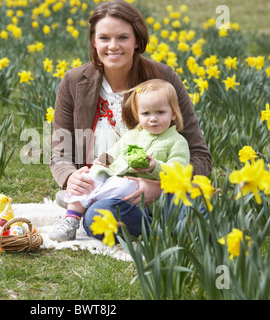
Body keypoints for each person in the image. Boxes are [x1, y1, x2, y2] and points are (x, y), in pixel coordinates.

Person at [50, 0, 212, 242]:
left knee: (191, 206)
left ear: (137, 40)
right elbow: (60, 154)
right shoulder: (73, 82)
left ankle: (178, 229)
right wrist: (70, 178)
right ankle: (168, 232)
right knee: (97, 215)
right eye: (104, 38)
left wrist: (160, 186)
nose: (113, 46)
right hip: (108, 191)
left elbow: (200, 155)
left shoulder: (163, 79)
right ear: (94, 42)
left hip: (163, 188)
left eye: (123, 37)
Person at [49, 79, 190, 242]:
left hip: (140, 193)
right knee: (90, 175)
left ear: (173, 113)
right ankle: (70, 221)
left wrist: (155, 167)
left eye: (160, 112)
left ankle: (80, 201)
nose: (153, 119)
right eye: (146, 113)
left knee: (123, 186)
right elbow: (114, 153)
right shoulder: (132, 136)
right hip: (115, 181)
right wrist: (104, 160)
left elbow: (179, 173)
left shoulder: (177, 142)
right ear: (138, 115)